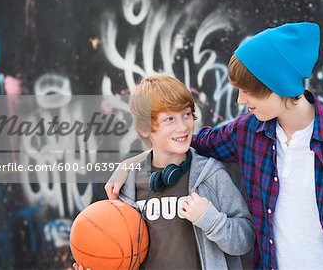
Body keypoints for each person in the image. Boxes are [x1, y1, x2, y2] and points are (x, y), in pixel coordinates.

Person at [106, 22, 323, 270]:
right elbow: (188, 143)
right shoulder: (249, 131)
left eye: (247, 91)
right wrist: (129, 165)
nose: (240, 100)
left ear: (276, 86)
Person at [76, 75, 255, 270]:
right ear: (145, 128)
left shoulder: (211, 174)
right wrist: (100, 263)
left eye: (186, 114)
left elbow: (245, 240)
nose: (183, 127)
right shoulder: (128, 184)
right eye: (169, 119)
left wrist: (211, 220)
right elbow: (122, 252)